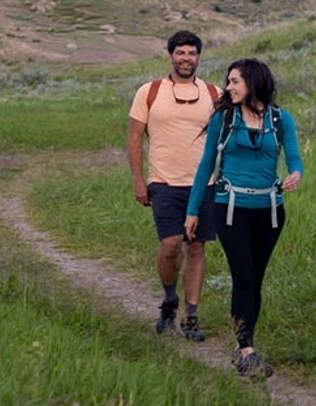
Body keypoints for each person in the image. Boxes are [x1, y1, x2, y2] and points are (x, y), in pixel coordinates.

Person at [184, 58, 303, 378]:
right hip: (231, 207)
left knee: (256, 280)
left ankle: (241, 348)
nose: (228, 87)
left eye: (235, 81)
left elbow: (293, 156)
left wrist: (295, 174)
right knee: (244, 277)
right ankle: (247, 350)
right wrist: (193, 210)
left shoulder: (281, 119)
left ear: (253, 81)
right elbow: (205, 166)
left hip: (271, 210)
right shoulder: (224, 119)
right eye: (228, 81)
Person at [127, 30, 220, 341]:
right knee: (170, 245)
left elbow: (227, 137)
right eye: (180, 53)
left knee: (196, 247)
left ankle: (191, 316)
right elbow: (134, 139)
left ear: (198, 57)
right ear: (170, 56)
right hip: (164, 182)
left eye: (192, 53)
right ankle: (169, 301)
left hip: (203, 184)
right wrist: (139, 181)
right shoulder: (150, 92)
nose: (186, 59)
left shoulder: (213, 93)